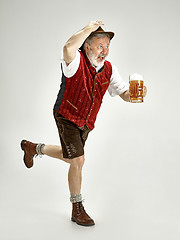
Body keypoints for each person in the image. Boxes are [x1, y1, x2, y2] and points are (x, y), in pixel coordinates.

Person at [21, 21, 147, 227]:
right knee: (78, 161)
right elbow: (68, 47)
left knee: (70, 157)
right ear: (87, 46)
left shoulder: (109, 69)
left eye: (107, 46)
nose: (104, 51)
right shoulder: (75, 61)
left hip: (86, 122)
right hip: (66, 115)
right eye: (100, 46)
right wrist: (89, 28)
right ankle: (77, 208)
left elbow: (124, 93)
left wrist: (135, 96)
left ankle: (33, 148)